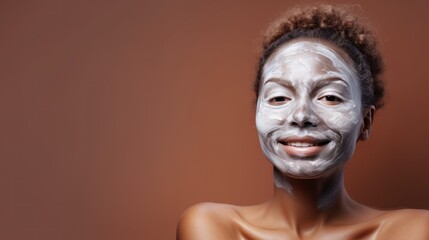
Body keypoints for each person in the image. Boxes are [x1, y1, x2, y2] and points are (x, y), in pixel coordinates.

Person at [177, 4, 429, 240]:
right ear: (257, 113)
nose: (301, 116)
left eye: (330, 97)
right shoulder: (211, 227)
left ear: (365, 122)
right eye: (278, 97)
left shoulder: (412, 231)